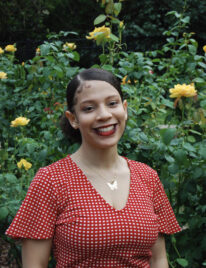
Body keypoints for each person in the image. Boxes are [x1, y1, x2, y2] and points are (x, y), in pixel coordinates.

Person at [6, 68, 181, 267]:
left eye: (112, 103)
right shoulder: (51, 180)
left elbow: (159, 259)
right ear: (73, 119)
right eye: (89, 108)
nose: (104, 115)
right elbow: (34, 264)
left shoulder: (147, 177)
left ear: (124, 109)